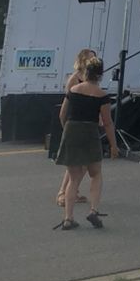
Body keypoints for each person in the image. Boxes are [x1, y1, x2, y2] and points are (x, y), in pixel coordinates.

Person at [54, 56, 118, 230]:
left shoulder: (73, 89)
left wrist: (67, 130)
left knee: (74, 178)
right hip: (90, 131)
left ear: (86, 72)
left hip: (71, 130)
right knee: (95, 174)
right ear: (100, 75)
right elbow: (107, 122)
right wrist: (113, 145)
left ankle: (68, 218)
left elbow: (62, 114)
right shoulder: (102, 95)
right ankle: (93, 210)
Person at [56, 48, 97, 207]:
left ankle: (73, 192)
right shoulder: (74, 79)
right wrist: (65, 127)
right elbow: (67, 106)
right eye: (91, 58)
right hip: (75, 123)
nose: (93, 61)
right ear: (82, 60)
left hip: (87, 124)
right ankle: (62, 193)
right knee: (74, 163)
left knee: (84, 163)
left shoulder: (91, 79)